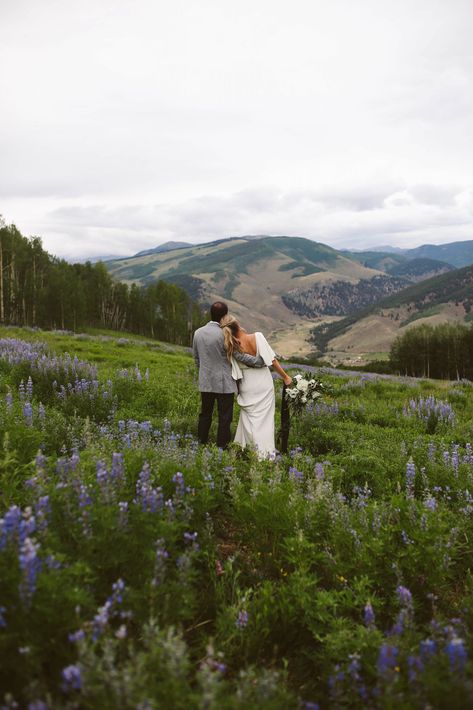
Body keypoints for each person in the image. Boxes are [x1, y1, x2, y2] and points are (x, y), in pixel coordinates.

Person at [192, 301, 266, 449]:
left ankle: (200, 444)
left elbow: (197, 358)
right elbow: (240, 356)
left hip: (206, 381)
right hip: (224, 384)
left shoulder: (198, 333)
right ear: (225, 316)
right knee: (224, 418)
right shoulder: (225, 333)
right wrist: (261, 361)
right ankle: (221, 448)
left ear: (210, 314)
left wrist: (205, 373)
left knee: (205, 414)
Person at [220, 315, 292, 458]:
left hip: (247, 384)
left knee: (248, 417)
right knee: (265, 419)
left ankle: (244, 449)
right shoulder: (257, 337)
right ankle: (264, 453)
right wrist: (285, 377)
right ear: (238, 325)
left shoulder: (231, 346)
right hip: (262, 382)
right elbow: (271, 360)